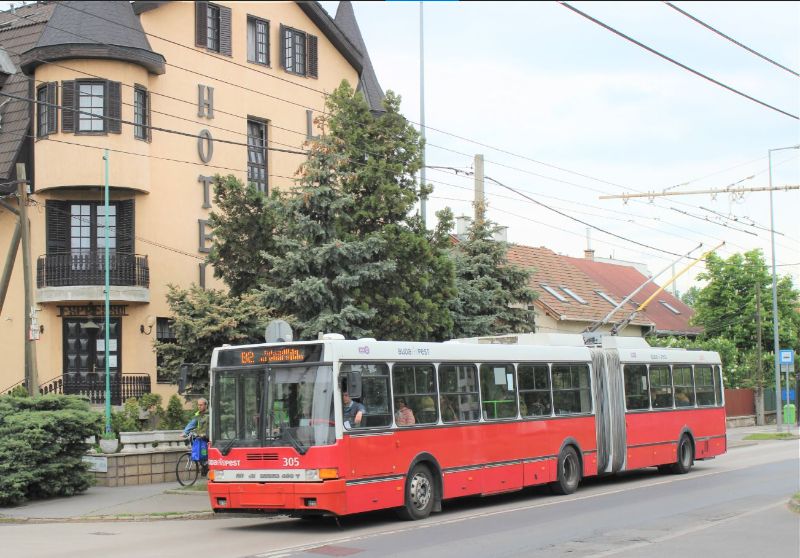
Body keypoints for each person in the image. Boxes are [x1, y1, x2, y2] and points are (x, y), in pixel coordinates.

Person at [184, 398, 209, 475]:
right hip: (200, 437)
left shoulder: (209, 415)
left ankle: (206, 465)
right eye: (198, 405)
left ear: (206, 405)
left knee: (203, 453)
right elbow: (192, 424)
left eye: (201, 405)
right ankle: (204, 465)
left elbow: (211, 427)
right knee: (199, 453)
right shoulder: (198, 415)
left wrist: (205, 434)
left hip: (207, 437)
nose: (199, 406)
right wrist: (185, 432)